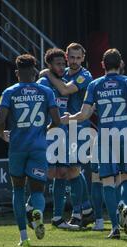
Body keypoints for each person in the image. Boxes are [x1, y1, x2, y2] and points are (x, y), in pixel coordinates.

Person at [62, 48, 127, 239]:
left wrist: (68, 118)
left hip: (105, 136)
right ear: (121, 64)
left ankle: (115, 227)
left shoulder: (95, 84)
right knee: (126, 177)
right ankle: (125, 206)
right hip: (125, 133)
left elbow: (84, 114)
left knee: (107, 181)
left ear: (103, 65)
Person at [0, 54, 61, 246]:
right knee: (38, 190)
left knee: (17, 189)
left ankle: (24, 236)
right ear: (34, 72)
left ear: (17, 73)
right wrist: (44, 131)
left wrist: (3, 135)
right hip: (39, 147)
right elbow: (56, 122)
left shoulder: (9, 92)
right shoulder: (46, 91)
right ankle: (36, 211)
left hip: (17, 147)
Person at [40, 43, 95, 228]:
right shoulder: (62, 74)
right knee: (68, 171)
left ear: (83, 58)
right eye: (71, 57)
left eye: (78, 58)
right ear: (66, 56)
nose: (74, 61)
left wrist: (46, 73)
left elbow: (64, 90)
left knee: (73, 170)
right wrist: (47, 73)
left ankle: (79, 212)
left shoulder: (84, 75)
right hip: (63, 127)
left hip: (78, 126)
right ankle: (85, 209)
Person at [37, 48, 79, 230]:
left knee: (62, 173)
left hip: (62, 134)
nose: (62, 67)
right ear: (49, 65)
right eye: (58, 64)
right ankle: (32, 208)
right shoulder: (43, 82)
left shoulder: (62, 82)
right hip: (46, 134)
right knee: (42, 174)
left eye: (63, 63)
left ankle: (57, 218)